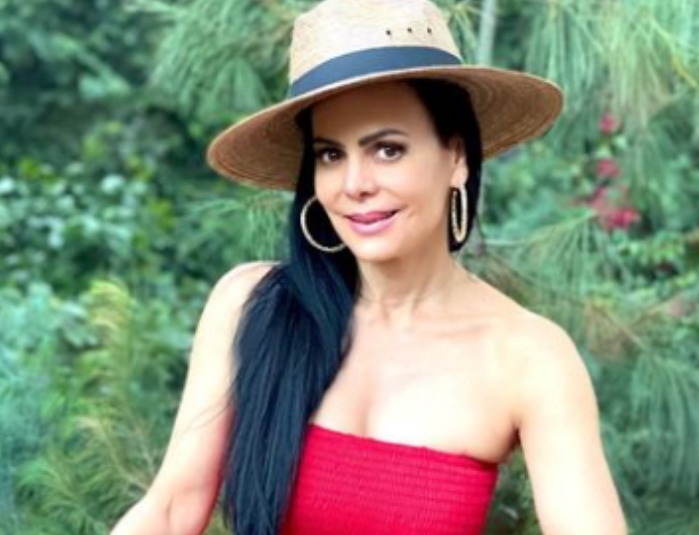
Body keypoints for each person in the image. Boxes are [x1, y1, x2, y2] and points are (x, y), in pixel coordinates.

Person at [110, 0, 628, 534]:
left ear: (456, 157)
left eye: (387, 150)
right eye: (330, 155)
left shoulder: (527, 356)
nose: (354, 184)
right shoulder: (253, 305)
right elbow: (171, 509)